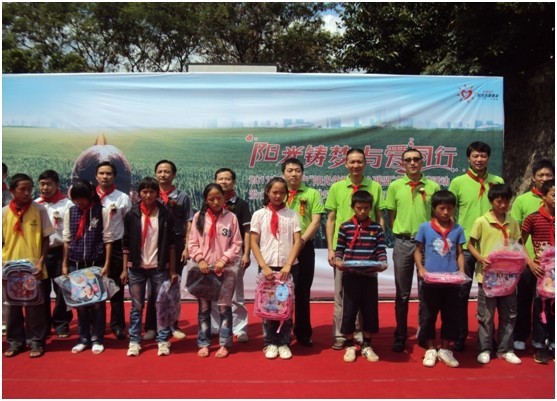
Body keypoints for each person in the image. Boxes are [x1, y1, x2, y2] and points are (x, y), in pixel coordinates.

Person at [325, 148, 385, 350]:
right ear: (346, 164)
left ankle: (360, 332)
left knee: (364, 295)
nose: (355, 165)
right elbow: (331, 219)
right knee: (341, 294)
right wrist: (331, 249)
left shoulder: (375, 187)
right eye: (352, 162)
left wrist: (378, 244)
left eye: (359, 161)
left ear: (365, 163)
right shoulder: (337, 187)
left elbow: (380, 216)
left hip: (367, 251)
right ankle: (341, 334)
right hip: (344, 251)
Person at [448, 141, 504, 351]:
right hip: (464, 248)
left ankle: (487, 338)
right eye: (475, 156)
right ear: (468, 158)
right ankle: (459, 335)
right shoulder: (458, 182)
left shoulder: (497, 181)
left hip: (491, 249)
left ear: (488, 158)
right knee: (460, 294)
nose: (479, 160)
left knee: (491, 294)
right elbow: (450, 213)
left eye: (483, 156)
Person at [386, 148, 440, 353]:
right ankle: (400, 335)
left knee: (427, 292)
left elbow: (437, 215)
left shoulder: (433, 186)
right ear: (403, 164)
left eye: (416, 159)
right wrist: (401, 232)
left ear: (422, 162)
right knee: (402, 293)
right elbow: (391, 215)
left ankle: (424, 334)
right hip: (403, 243)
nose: (412, 163)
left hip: (427, 244)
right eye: (408, 160)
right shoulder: (395, 186)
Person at [121, 177, 178, 357]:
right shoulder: (132, 214)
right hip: (136, 268)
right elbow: (125, 243)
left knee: (161, 305)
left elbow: (171, 244)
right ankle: (134, 341)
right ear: (139, 193)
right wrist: (124, 269)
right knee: (136, 307)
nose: (148, 195)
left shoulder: (165, 214)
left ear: (157, 193)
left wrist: (172, 270)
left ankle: (163, 340)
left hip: (159, 267)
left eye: (151, 192)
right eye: (144, 191)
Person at [467, 184, 522, 365]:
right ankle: (485, 348)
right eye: (499, 201)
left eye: (506, 201)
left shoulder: (513, 222)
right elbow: (470, 244)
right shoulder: (481, 221)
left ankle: (506, 349)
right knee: (486, 315)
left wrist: (518, 261)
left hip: (508, 278)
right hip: (487, 277)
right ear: (491, 201)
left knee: (509, 314)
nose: (503, 205)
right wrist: (480, 258)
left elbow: (518, 244)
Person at [2, 173, 54, 358]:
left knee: (35, 308)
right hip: (9, 268)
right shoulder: (3, 213)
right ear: (12, 190)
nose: (26, 193)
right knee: (12, 308)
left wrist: (41, 262)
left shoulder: (39, 210)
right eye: (22, 189)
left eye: (29, 189)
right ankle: (15, 342)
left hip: (33, 268)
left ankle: (36, 342)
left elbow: (46, 238)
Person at [189, 183, 243, 358]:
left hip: (225, 271)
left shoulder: (231, 217)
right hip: (204, 271)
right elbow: (192, 242)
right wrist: (200, 259)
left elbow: (237, 244)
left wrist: (224, 259)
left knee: (224, 308)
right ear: (206, 200)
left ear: (224, 198)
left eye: (218, 198)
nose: (215, 202)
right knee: (204, 309)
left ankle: (225, 343)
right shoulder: (198, 217)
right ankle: (204, 342)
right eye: (211, 199)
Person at [251, 177, 302, 360]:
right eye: (274, 192)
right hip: (267, 268)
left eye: (282, 192)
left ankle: (284, 342)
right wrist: (264, 266)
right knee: (268, 306)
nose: (278, 196)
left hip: (288, 268)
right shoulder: (259, 214)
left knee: (286, 306)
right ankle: (270, 342)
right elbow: (254, 242)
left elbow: (297, 241)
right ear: (267, 192)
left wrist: (288, 264)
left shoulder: (292, 215)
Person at [414, 190, 466, 368]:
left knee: (450, 315)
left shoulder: (458, 229)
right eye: (441, 208)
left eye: (449, 208)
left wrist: (461, 270)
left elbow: (459, 253)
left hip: (451, 281)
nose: (445, 212)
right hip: (430, 281)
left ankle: (445, 348)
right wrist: (421, 269)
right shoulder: (425, 228)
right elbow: (417, 251)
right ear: (434, 209)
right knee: (428, 315)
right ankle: (430, 348)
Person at [334, 190, 387, 363]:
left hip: (370, 277)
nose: (362, 211)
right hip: (350, 276)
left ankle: (367, 345)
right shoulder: (345, 227)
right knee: (349, 311)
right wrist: (337, 260)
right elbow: (339, 249)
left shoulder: (376, 228)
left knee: (370, 311)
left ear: (371, 208)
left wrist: (383, 262)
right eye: (359, 208)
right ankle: (350, 344)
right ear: (352, 207)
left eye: (366, 208)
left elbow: (381, 250)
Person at [143, 160, 193, 340]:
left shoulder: (182, 196)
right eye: (160, 171)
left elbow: (189, 222)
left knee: (172, 286)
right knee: (154, 288)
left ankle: (173, 325)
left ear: (174, 175)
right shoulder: (150, 195)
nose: (163, 174)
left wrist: (187, 246)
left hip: (177, 244)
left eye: (167, 171)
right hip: (154, 245)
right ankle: (151, 327)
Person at [62, 179, 112, 355]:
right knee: (81, 303)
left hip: (95, 264)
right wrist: (64, 264)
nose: (79, 202)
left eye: (82, 198)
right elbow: (66, 239)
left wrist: (106, 264)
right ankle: (83, 338)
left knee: (97, 303)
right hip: (76, 264)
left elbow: (108, 239)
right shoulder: (70, 212)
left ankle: (97, 338)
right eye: (76, 198)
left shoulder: (102, 211)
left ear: (91, 195)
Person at [511, 159, 554, 351]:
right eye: (540, 175)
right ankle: (520, 335)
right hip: (528, 261)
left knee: (546, 302)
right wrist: (528, 260)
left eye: (548, 175)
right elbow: (516, 233)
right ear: (533, 178)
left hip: (551, 266)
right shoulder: (522, 200)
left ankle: (545, 337)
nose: (544, 178)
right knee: (524, 298)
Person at [282, 158, 325, 347]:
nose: (294, 174)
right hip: (282, 248)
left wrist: (301, 241)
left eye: (297, 170)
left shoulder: (312, 193)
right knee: (281, 291)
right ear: (283, 173)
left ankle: (303, 332)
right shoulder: (278, 192)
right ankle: (281, 332)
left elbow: (316, 221)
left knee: (302, 291)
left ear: (302, 173)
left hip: (305, 247)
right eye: (290, 170)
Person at [210, 168, 252, 343]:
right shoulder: (209, 204)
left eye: (227, 179)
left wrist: (246, 253)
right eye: (220, 178)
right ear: (215, 181)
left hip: (234, 255)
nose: (223, 182)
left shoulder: (240, 204)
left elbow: (247, 231)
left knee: (236, 295)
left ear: (234, 182)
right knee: (213, 293)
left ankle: (239, 328)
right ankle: (215, 327)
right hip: (213, 256)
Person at [95, 161, 131, 340]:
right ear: (96, 176)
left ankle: (117, 325)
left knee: (116, 288)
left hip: (116, 246)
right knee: (95, 289)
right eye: (101, 173)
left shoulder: (122, 198)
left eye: (108, 173)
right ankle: (98, 326)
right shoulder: (90, 196)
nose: (105, 177)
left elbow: (128, 225)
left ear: (114, 176)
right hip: (94, 247)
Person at [521, 179, 555, 363]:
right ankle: (539, 345)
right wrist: (530, 263)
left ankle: (553, 343)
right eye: (554, 195)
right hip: (542, 271)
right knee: (540, 306)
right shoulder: (532, 218)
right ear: (544, 196)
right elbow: (520, 242)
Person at [36, 170, 74, 338]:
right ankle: (43, 325)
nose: (45, 188)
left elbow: (70, 233)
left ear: (57, 185)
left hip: (61, 252)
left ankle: (61, 324)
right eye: (42, 184)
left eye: (49, 184)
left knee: (61, 290)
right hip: (40, 254)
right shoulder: (35, 205)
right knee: (41, 291)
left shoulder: (67, 205)